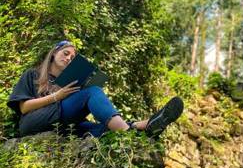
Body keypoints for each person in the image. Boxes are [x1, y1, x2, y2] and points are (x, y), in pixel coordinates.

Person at [7, 40, 184, 139]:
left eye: (72, 57)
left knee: (99, 128)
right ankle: (128, 131)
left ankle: (144, 126)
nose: (69, 58)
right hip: (33, 122)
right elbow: (24, 107)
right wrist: (56, 96)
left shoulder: (66, 81)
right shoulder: (33, 75)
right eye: (65, 53)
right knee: (93, 92)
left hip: (62, 123)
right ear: (54, 53)